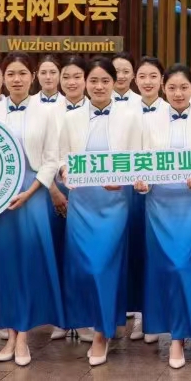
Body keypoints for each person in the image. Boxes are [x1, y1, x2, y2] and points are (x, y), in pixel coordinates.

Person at [0, 53, 65, 367]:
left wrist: (29, 192)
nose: (16, 79)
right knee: (4, 264)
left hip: (32, 193)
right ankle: (11, 334)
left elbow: (52, 160)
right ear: (3, 77)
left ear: (32, 77)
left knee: (28, 263)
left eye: (22, 73)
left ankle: (25, 334)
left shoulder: (47, 112)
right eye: (11, 73)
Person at [60, 57, 143, 367]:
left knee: (104, 266)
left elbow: (139, 159)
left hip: (114, 202)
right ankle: (97, 320)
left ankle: (102, 332)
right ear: (84, 83)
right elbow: (61, 159)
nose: (98, 86)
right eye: (93, 81)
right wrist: (65, 172)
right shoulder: (70, 118)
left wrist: (123, 179)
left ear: (114, 82)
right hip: (82, 203)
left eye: (104, 81)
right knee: (84, 266)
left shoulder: (130, 117)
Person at [137, 64, 191, 368]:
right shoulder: (147, 120)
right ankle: (167, 329)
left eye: (184, 87)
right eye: (172, 88)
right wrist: (141, 182)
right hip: (159, 205)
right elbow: (138, 161)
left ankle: (180, 338)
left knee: (186, 268)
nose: (178, 93)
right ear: (163, 89)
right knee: (164, 269)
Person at [46, 55, 87, 341]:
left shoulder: (97, 111)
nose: (71, 82)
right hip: (52, 192)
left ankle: (81, 317)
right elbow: (42, 155)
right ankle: (60, 318)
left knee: (80, 257)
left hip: (87, 199)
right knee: (57, 254)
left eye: (77, 77)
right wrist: (54, 191)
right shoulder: (46, 111)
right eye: (66, 77)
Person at [127, 56, 165, 338]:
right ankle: (138, 315)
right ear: (134, 80)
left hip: (162, 196)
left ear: (162, 80)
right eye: (142, 76)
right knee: (135, 250)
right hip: (129, 193)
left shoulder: (171, 110)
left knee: (156, 253)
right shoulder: (124, 112)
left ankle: (154, 316)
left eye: (153, 76)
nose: (148, 82)